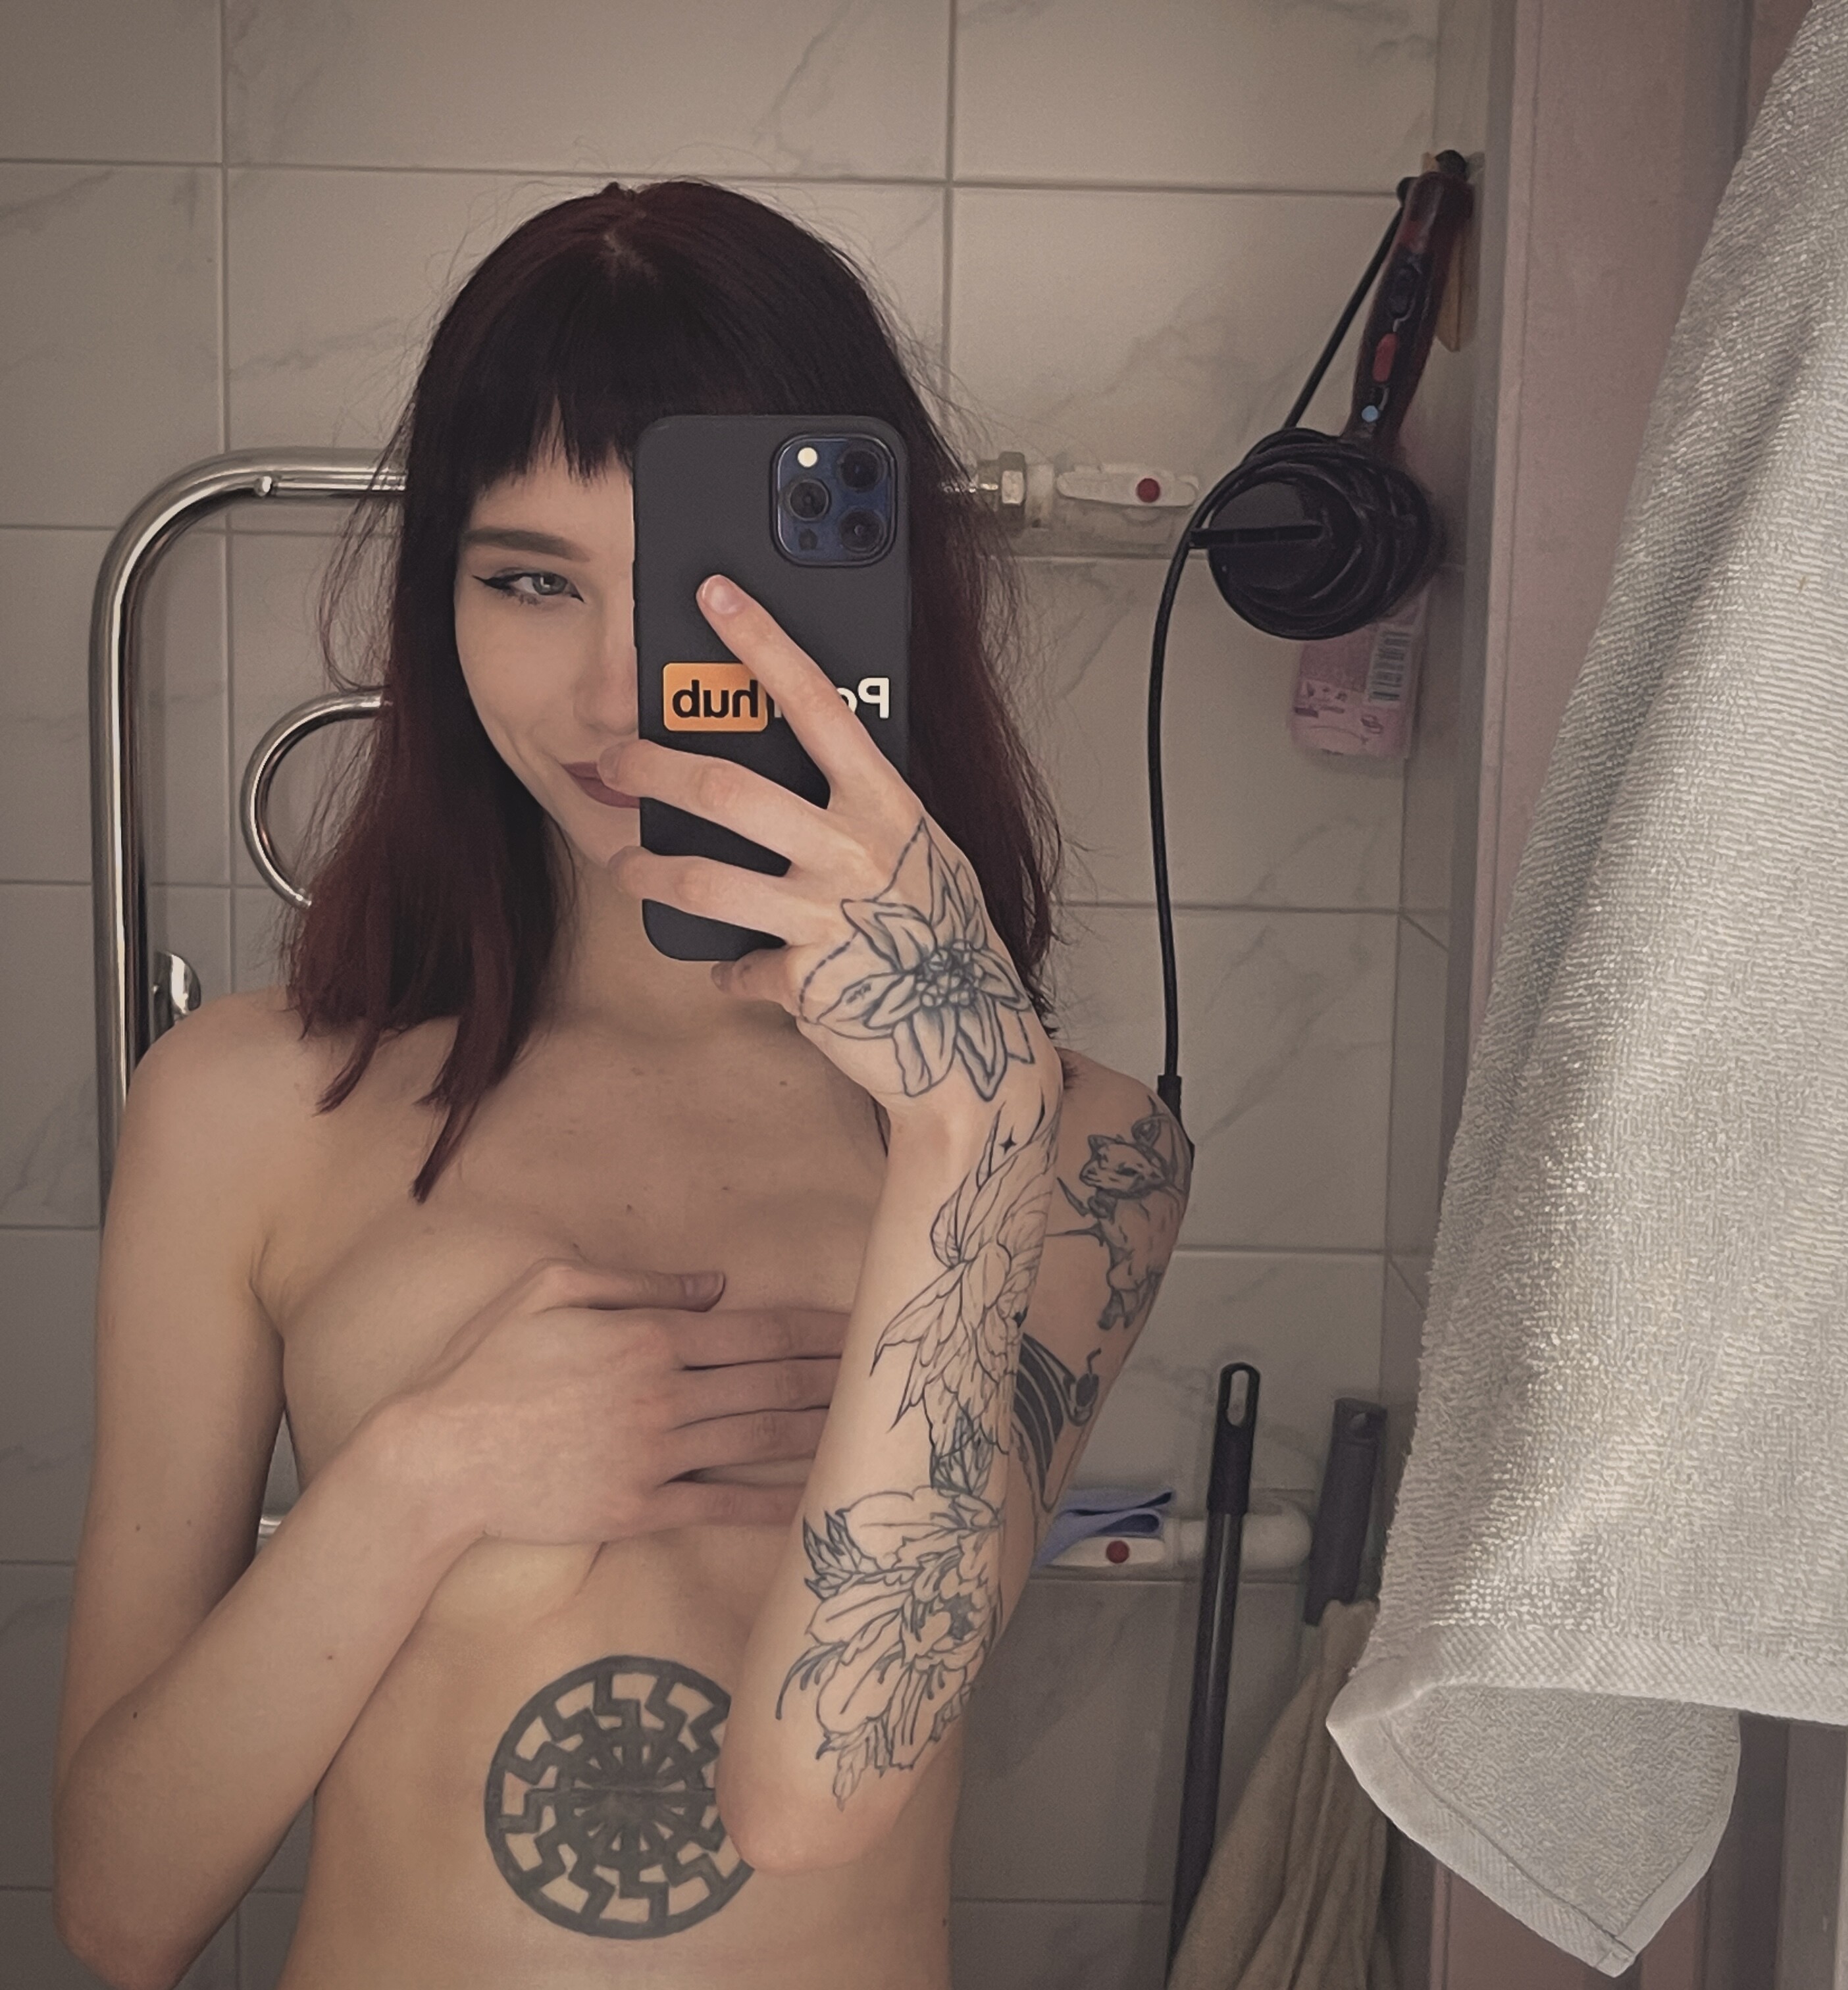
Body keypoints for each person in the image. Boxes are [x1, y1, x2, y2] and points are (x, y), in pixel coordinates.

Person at [51, 180, 1190, 1990]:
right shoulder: (247, 1106)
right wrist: (425, 1473)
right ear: (440, 599)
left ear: (862, 608)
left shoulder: (1075, 1142)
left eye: (686, 595)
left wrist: (966, 1122)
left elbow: (818, 1792)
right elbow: (119, 1907)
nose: (614, 693)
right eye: (529, 580)